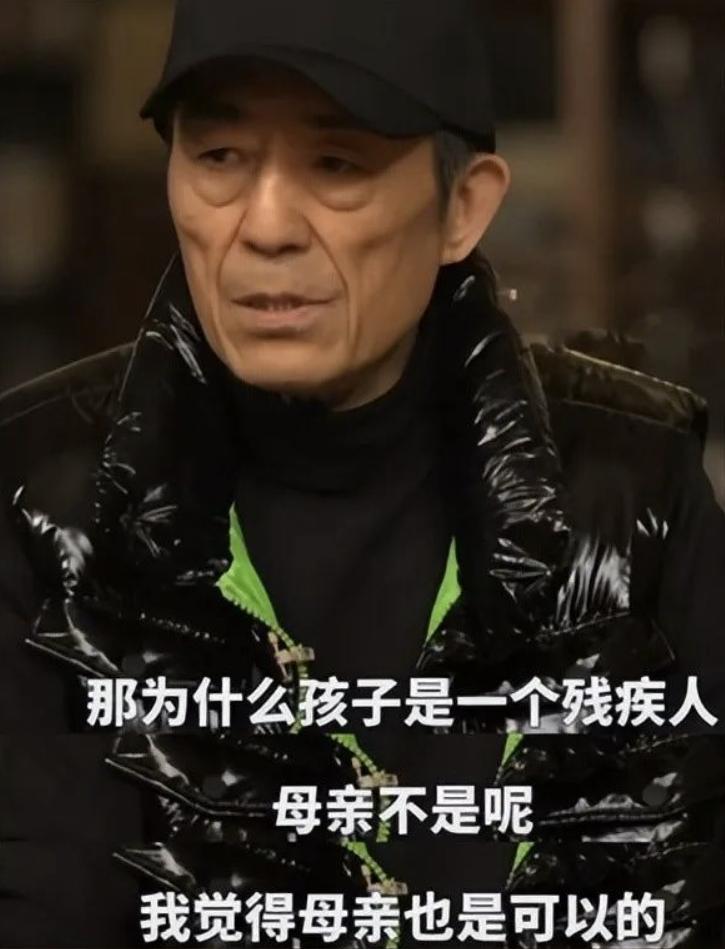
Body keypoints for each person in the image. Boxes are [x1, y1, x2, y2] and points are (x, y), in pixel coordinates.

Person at [1, 1, 725, 946]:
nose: (265, 226)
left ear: (462, 207)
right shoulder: (42, 502)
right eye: (218, 157)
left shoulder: (629, 496)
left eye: (336, 164)